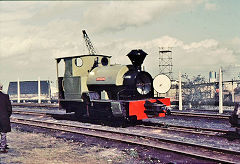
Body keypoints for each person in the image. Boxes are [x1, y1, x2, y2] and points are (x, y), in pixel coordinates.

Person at [0, 82, 12, 153]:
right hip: (3, 117)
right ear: (1, 87)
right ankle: (2, 148)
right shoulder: (5, 96)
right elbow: (9, 109)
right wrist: (6, 116)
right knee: (3, 133)